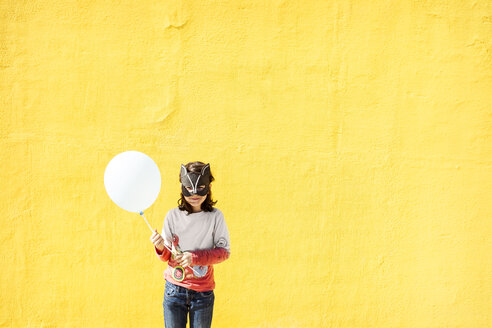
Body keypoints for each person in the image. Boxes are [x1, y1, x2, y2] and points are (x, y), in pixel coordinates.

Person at [150, 162, 231, 328]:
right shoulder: (172, 216)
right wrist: (159, 247)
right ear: (182, 187)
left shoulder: (216, 217)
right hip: (174, 290)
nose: (195, 193)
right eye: (189, 187)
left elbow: (224, 252)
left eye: (201, 187)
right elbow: (166, 256)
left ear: (208, 187)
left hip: (203, 292)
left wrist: (195, 257)